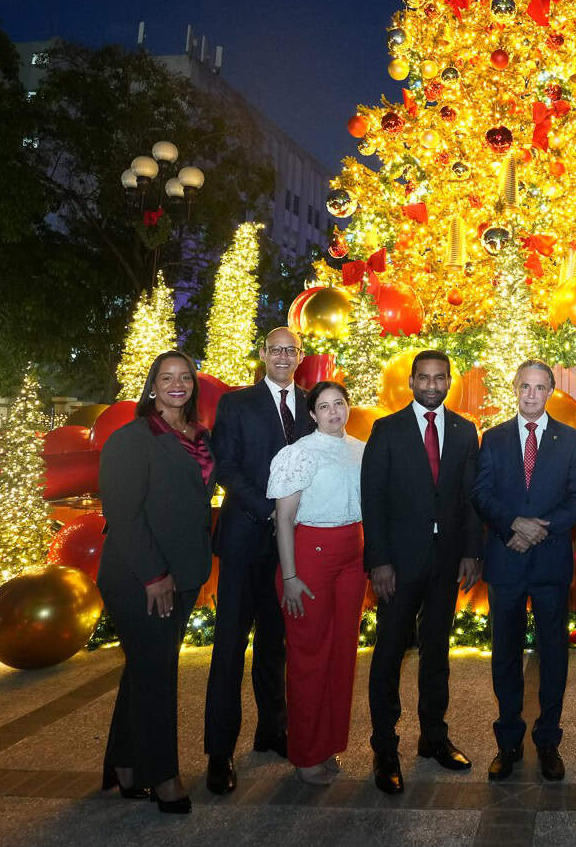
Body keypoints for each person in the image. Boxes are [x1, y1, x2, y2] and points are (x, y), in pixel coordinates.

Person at [97, 351, 214, 814]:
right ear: (152, 385)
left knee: (146, 667)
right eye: (167, 377)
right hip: (139, 575)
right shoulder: (132, 439)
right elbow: (122, 516)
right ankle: (163, 775)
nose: (177, 384)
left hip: (184, 571)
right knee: (157, 673)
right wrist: (154, 575)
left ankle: (125, 766)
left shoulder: (199, 437)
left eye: (185, 377)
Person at [361, 351, 482, 796]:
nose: (432, 385)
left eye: (440, 378)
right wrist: (378, 561)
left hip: (447, 561)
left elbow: (471, 497)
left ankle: (433, 736)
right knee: (390, 653)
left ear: (450, 380)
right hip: (397, 564)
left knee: (436, 653)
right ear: (411, 381)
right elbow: (371, 500)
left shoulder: (465, 430)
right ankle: (385, 748)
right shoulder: (386, 430)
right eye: (424, 378)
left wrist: (472, 552)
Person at [203, 327, 313, 795]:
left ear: (300, 356)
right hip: (247, 539)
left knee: (276, 644)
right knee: (230, 646)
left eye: (292, 350)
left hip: (292, 550)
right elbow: (225, 466)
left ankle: (272, 731)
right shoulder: (236, 403)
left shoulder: (313, 404)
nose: (284, 357)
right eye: (277, 350)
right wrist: (273, 511)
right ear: (264, 354)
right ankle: (219, 752)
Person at [472, 360, 576, 782]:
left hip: (548, 563)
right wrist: (512, 526)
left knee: (553, 654)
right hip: (506, 560)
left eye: (539, 388)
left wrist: (541, 530)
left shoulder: (572, 441)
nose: (531, 395)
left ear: (551, 391)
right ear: (515, 388)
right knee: (504, 654)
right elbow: (481, 493)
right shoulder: (494, 437)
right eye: (524, 386)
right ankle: (508, 742)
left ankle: (547, 741)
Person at [267, 381, 366, 785]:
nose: (332, 412)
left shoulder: (361, 449)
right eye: (323, 406)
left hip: (353, 558)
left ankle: (328, 745)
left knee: (342, 653)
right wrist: (290, 576)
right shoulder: (298, 454)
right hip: (309, 557)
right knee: (309, 657)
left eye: (338, 404)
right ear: (312, 414)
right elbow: (284, 521)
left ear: (347, 407)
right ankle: (306, 753)